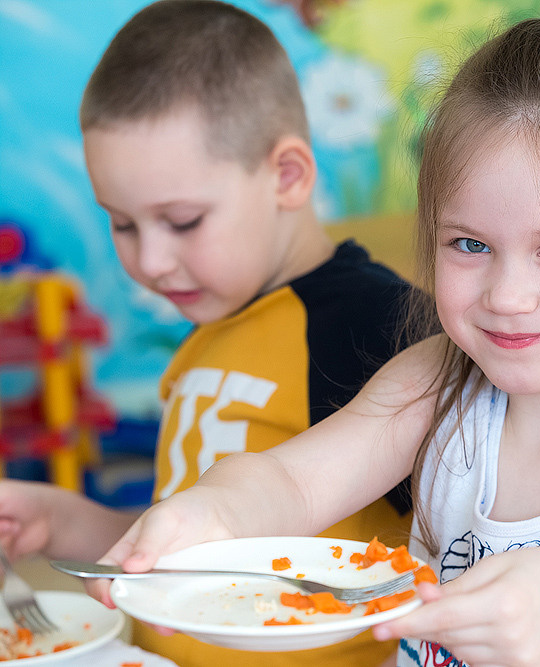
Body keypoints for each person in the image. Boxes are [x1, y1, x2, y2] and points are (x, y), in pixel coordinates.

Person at [93, 3, 540, 665]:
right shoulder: (431, 384)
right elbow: (290, 480)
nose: (506, 296)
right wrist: (214, 509)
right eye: (469, 244)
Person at [0, 2, 414, 666]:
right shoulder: (206, 336)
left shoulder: (376, 323)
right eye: (123, 223)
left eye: (183, 221)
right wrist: (56, 519)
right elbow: (179, 555)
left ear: (287, 176)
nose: (150, 262)